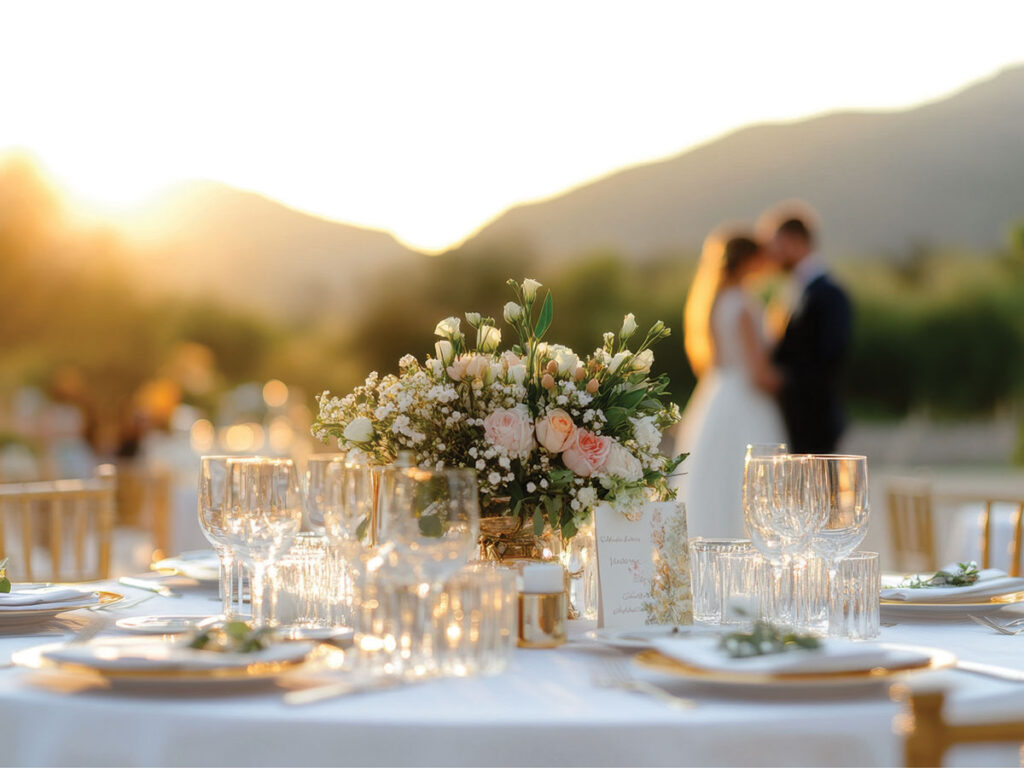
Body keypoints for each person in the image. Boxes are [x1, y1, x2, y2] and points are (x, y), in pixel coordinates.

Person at [674, 230, 786, 539]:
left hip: (716, 395)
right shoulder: (742, 305)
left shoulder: (715, 301)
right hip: (745, 400)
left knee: (714, 479)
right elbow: (759, 373)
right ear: (749, 261)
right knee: (751, 481)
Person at [764, 209, 853, 454]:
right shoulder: (794, 288)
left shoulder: (830, 293)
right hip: (792, 418)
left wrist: (783, 379)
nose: (773, 255)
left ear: (795, 242)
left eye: (777, 246)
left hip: (815, 418)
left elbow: (830, 356)